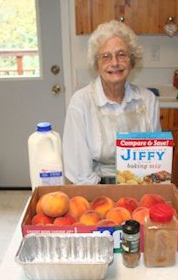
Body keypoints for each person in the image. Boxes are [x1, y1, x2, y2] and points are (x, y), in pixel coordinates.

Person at [63, 20, 161, 185]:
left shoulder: (147, 100)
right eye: (106, 56)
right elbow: (79, 173)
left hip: (140, 186)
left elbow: (157, 159)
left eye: (121, 54)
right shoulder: (81, 103)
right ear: (96, 64)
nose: (114, 63)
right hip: (97, 188)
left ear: (131, 60)